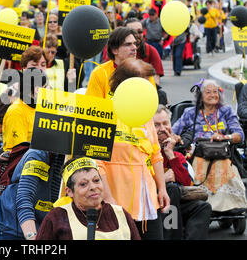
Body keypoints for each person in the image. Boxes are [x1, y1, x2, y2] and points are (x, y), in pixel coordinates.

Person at [98, 58, 170, 240]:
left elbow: (156, 155)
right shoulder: (104, 113)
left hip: (148, 201)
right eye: (144, 83)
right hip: (118, 201)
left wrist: (162, 189)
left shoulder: (144, 112)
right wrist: (108, 199)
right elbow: (98, 164)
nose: (149, 88)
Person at [172, 79, 247, 214]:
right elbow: (173, 131)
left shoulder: (226, 111)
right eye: (208, 92)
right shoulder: (190, 113)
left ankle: (231, 205)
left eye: (215, 91)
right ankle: (203, 205)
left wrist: (225, 137)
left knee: (224, 166)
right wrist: (176, 137)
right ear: (200, 96)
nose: (213, 95)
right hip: (197, 154)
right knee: (199, 167)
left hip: (222, 153)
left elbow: (240, 135)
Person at [36, 157, 141, 240]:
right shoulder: (57, 217)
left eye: (96, 180)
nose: (93, 187)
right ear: (69, 191)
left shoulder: (120, 214)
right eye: (83, 184)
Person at [154, 105, 212, 240]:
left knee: (202, 207)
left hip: (174, 205)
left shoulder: (176, 155)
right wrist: (162, 179)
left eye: (165, 123)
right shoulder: (145, 153)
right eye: (156, 125)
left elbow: (187, 182)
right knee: (172, 189)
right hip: (153, 204)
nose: (162, 129)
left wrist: (169, 154)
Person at [86, 27, 156, 100]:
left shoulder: (143, 70)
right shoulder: (99, 73)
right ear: (114, 50)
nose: (134, 47)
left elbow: (152, 102)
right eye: (128, 44)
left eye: (135, 43)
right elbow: (93, 107)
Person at [0, 46, 47, 135]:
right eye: (34, 65)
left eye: (43, 65)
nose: (39, 69)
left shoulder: (50, 94)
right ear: (24, 68)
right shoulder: (11, 93)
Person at [2, 68, 48, 152]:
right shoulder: (16, 112)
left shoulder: (40, 108)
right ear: (37, 89)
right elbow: (18, 151)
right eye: (45, 87)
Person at [125, 18, 164, 85]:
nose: (136, 35)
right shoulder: (118, 51)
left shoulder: (151, 50)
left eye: (140, 32)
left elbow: (156, 78)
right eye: (132, 32)